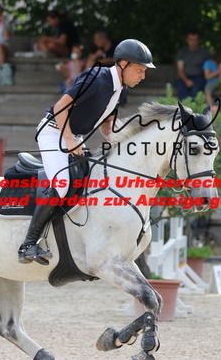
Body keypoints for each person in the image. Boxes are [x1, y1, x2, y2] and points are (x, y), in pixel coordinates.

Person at [18, 39, 155, 265]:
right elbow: (60, 107)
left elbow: (107, 124)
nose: (143, 76)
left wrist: (118, 142)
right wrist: (69, 140)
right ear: (123, 64)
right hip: (54, 131)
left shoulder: (120, 89)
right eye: (140, 70)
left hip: (74, 137)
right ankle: (28, 244)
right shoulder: (97, 78)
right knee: (62, 184)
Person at [175, 31, 211, 100]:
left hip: (199, 77)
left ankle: (194, 107)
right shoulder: (182, 52)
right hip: (184, 77)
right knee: (182, 92)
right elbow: (180, 70)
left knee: (196, 91)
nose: (193, 42)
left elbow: (209, 67)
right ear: (187, 40)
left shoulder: (204, 53)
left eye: (195, 40)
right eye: (191, 40)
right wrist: (186, 80)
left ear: (198, 40)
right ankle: (183, 107)